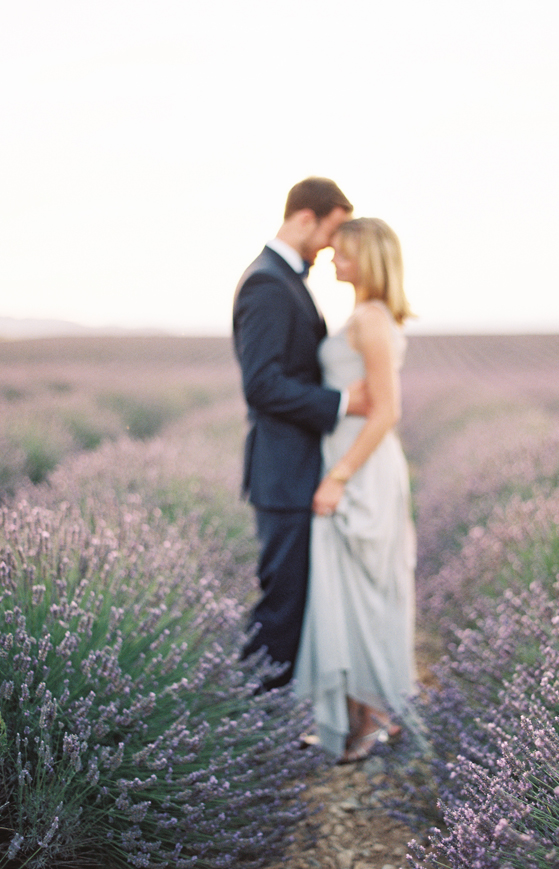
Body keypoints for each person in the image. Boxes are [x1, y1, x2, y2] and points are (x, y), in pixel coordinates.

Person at [232, 177, 367, 690]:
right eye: (333, 230)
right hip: (283, 472)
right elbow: (262, 385)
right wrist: (341, 402)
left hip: (296, 467)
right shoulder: (268, 282)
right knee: (282, 605)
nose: (335, 245)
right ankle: (254, 725)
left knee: (295, 601)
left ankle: (270, 720)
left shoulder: (285, 278)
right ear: (306, 218)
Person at [294, 217, 416, 763]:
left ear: (368, 259)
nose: (334, 261)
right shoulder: (367, 315)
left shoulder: (369, 318)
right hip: (350, 458)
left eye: (344, 254)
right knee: (348, 588)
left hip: (361, 469)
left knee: (365, 591)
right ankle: (352, 714)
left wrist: (339, 476)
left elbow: (387, 410)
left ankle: (370, 717)